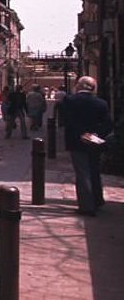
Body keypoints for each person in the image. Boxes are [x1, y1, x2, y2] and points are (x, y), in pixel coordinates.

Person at [61, 76, 113, 216]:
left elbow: (66, 121)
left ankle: (87, 206)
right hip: (95, 142)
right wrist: (95, 135)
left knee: (82, 172)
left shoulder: (69, 101)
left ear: (78, 86)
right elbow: (108, 124)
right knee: (94, 170)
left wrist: (82, 134)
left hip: (77, 141)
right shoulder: (101, 103)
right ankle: (97, 199)